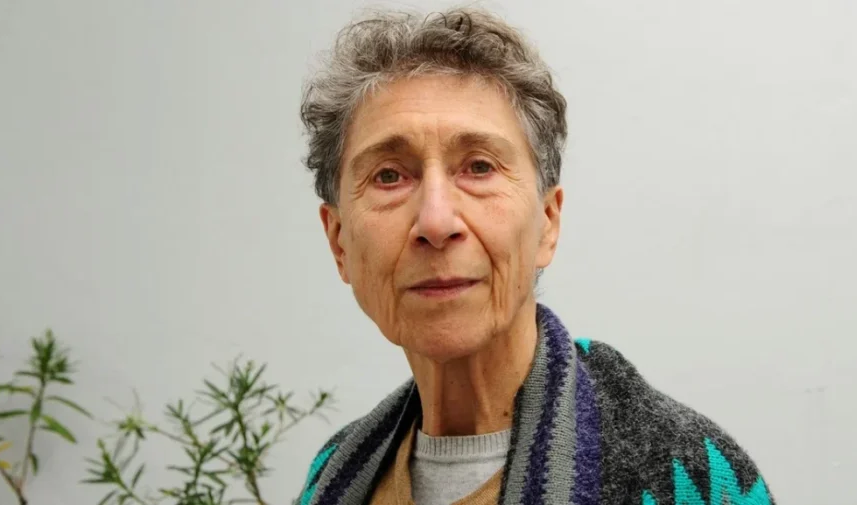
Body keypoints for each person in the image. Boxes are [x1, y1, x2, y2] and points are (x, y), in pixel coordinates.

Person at [294, 7, 773, 505]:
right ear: (339, 241)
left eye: (479, 167)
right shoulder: (330, 475)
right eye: (390, 176)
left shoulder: (693, 476)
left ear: (547, 222)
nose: (436, 222)